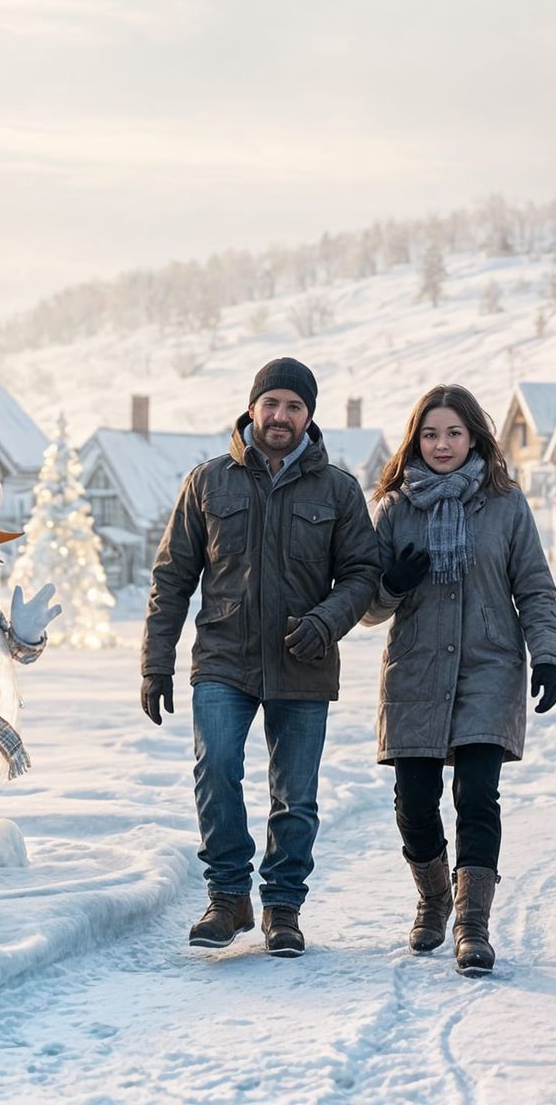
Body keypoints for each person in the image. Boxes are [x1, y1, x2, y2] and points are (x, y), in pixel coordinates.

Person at [141, 357, 380, 957]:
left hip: (305, 660)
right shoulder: (208, 482)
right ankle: (228, 897)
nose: (281, 416)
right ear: (252, 408)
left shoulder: (339, 490)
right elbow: (172, 577)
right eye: (271, 403)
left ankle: (282, 906)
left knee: (294, 795)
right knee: (215, 768)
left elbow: (362, 574)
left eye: (294, 407)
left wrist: (325, 622)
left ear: (309, 417)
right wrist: (156, 662)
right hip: (224, 656)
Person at [361, 384, 556, 977]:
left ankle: (472, 926)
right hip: (417, 673)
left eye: (453, 432)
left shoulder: (505, 504)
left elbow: (534, 586)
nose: (442, 444)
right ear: (415, 441)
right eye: (430, 434)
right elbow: (367, 606)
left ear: (474, 436)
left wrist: (547, 654)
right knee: (414, 805)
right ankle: (433, 897)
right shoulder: (396, 508)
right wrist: (390, 582)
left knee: (477, 797)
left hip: (489, 667)